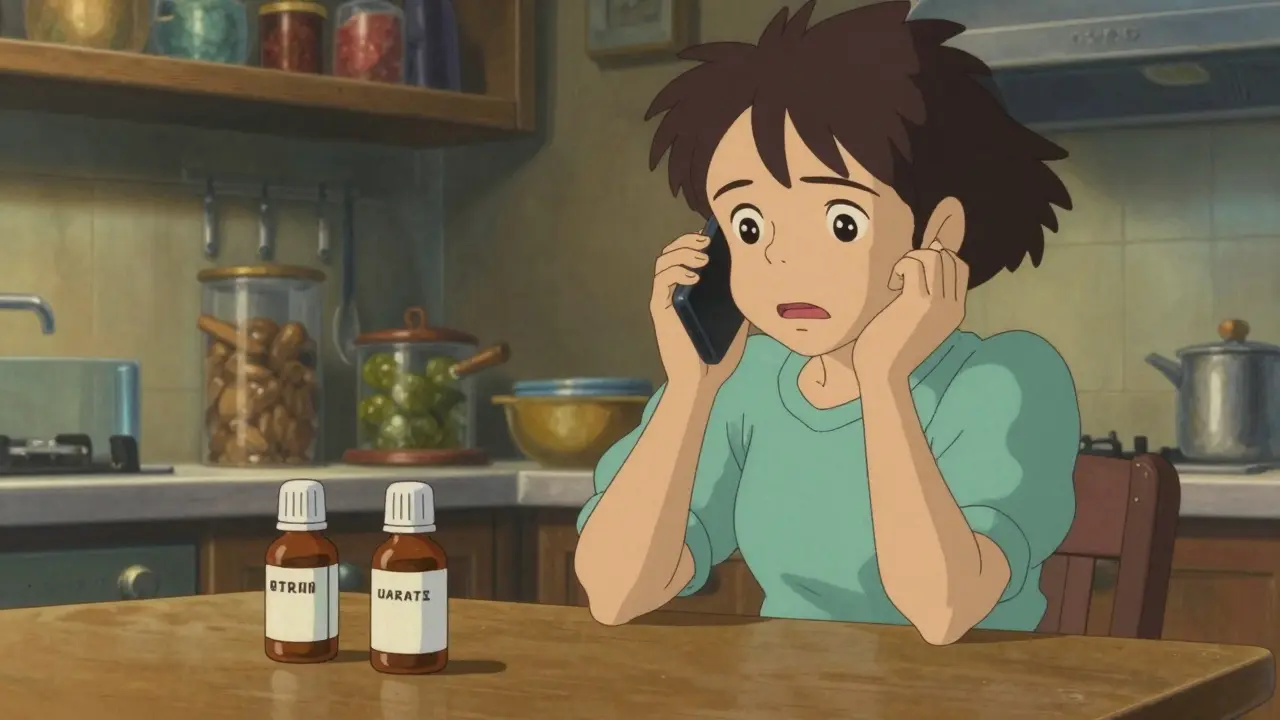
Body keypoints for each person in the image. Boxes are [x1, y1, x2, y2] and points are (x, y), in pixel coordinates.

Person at [573, 0, 1080, 646]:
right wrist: (691, 388)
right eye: (750, 226)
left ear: (939, 233)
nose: (783, 261)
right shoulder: (746, 386)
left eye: (843, 221)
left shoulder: (1008, 380)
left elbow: (943, 610)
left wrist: (883, 379)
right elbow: (616, 593)